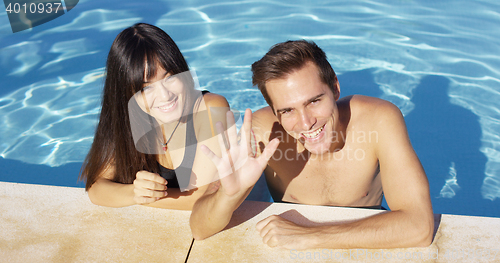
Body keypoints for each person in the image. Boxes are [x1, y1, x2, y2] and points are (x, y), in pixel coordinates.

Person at [190, 40, 434, 249]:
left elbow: (419, 227)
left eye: (314, 101)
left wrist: (310, 236)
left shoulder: (379, 120)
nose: (306, 123)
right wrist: (228, 196)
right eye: (287, 110)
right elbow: (199, 229)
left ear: (335, 89)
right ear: (274, 111)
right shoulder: (263, 132)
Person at [79, 23, 229, 210]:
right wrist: (135, 192)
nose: (165, 96)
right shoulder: (126, 119)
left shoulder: (210, 108)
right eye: (146, 88)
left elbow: (203, 197)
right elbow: (96, 188)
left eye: (170, 78)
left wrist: (142, 197)